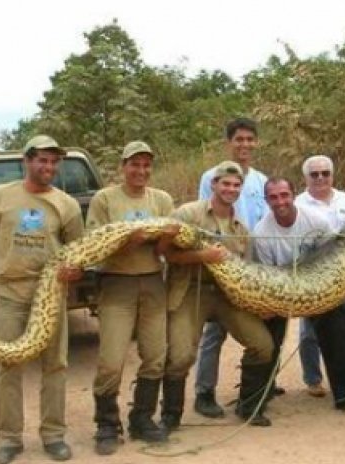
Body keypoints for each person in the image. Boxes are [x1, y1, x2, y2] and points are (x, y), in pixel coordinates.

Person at [0, 135, 83, 464]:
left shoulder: (67, 204)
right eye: (42, 160)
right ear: (28, 161)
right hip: (11, 289)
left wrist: (73, 270)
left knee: (56, 365)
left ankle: (53, 435)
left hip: (50, 291)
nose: (48, 167)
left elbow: (77, 251)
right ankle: (9, 439)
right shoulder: (1, 196)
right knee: (8, 364)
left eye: (53, 162)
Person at [160, 161, 276, 428]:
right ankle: (170, 415)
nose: (230, 189)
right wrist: (202, 256)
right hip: (191, 290)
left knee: (263, 346)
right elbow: (167, 254)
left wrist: (260, 302)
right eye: (225, 183)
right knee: (180, 355)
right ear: (213, 184)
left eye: (236, 185)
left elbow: (247, 272)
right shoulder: (188, 214)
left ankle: (248, 407)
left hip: (227, 296)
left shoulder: (241, 229)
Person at [85, 141, 174, 454]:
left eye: (146, 165)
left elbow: (165, 252)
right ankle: (107, 425)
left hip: (152, 283)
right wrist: (130, 242)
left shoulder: (162, 200)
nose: (141, 171)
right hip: (116, 284)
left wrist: (163, 241)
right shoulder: (105, 199)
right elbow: (96, 249)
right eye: (134, 164)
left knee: (155, 355)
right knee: (111, 359)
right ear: (123, 167)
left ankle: (142, 419)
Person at [254, 176, 345, 414]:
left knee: (338, 326)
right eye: (273, 197)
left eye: (284, 195)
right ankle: (261, 392)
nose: (280, 201)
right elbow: (269, 275)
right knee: (267, 333)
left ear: (293, 195)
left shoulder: (315, 220)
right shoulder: (261, 233)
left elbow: (331, 257)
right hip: (281, 288)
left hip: (316, 285)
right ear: (266, 201)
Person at [193, 118, 269, 418]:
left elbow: (263, 221)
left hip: (251, 261)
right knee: (215, 331)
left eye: (250, 139)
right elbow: (204, 216)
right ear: (229, 142)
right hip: (220, 262)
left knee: (257, 328)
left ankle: (255, 390)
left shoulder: (261, 180)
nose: (245, 145)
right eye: (239, 139)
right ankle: (204, 392)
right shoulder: (211, 176)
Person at [295, 155, 345, 396]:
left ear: (332, 175)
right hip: (313, 276)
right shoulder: (298, 204)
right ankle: (313, 379)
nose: (320, 178)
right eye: (314, 174)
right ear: (306, 178)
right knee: (309, 331)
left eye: (325, 173)